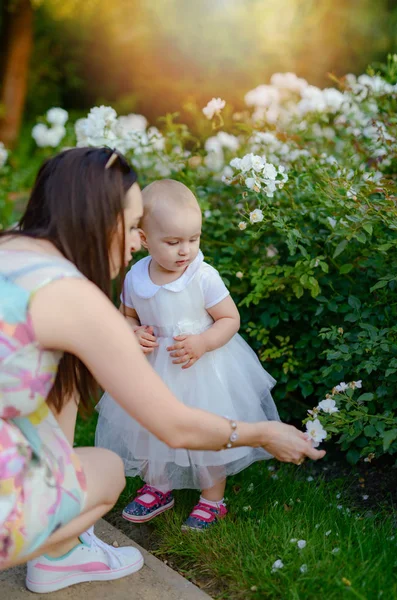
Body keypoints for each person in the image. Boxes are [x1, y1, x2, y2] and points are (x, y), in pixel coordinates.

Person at [0, 147, 324, 594]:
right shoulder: (69, 295)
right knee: (110, 469)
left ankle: (62, 540)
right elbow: (174, 425)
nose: (135, 241)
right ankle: (60, 549)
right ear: (94, 218)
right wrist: (265, 432)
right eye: (132, 226)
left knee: (61, 384)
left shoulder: (9, 248)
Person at [95, 179, 282, 531]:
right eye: (173, 242)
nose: (185, 250)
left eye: (193, 239)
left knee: (205, 434)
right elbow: (127, 315)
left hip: (200, 368)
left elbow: (230, 319)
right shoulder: (135, 278)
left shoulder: (202, 276)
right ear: (145, 239)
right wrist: (133, 332)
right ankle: (158, 486)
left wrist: (204, 342)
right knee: (148, 428)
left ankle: (212, 500)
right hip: (153, 370)